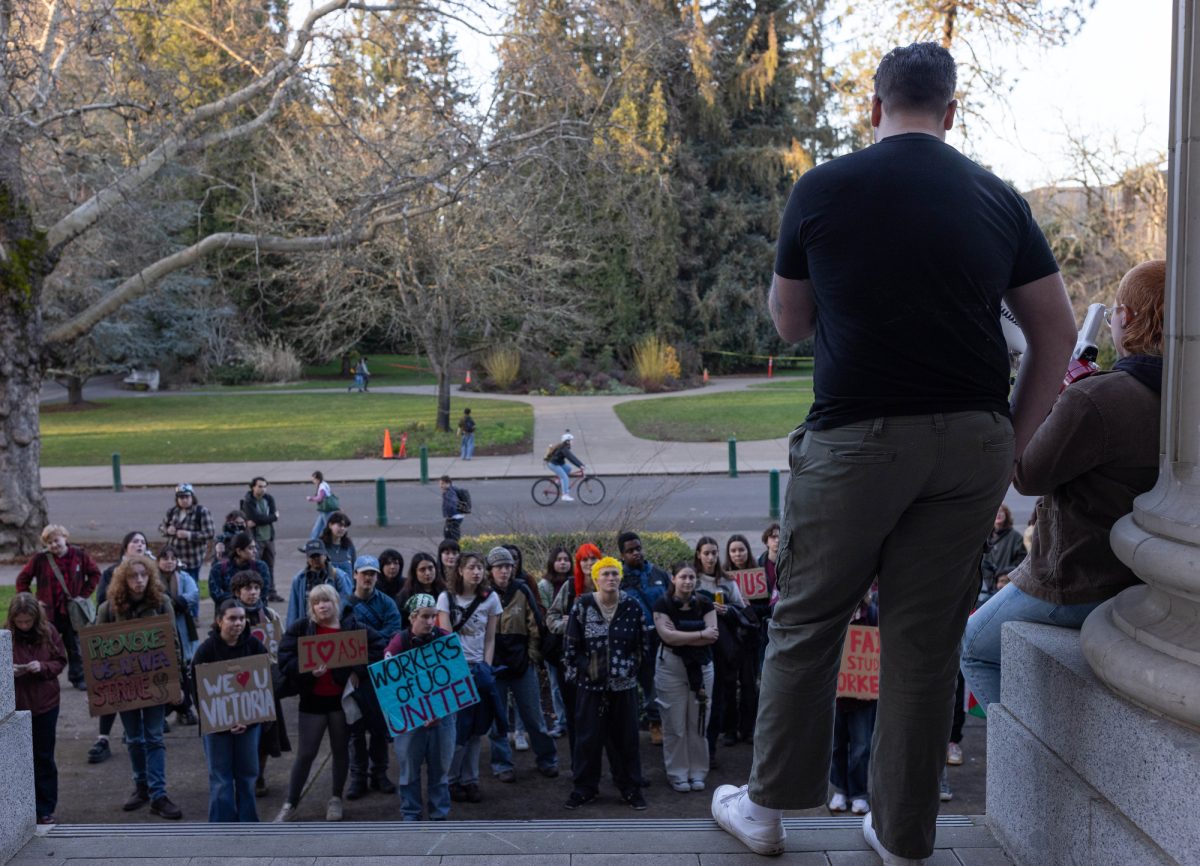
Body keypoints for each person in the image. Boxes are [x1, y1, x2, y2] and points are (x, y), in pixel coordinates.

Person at [710, 42, 1076, 863]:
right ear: (950, 113)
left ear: (874, 107)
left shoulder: (823, 188)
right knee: (925, 640)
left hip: (857, 439)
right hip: (973, 439)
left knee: (807, 620)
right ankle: (904, 834)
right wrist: (1009, 451)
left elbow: (791, 323)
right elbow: (1054, 330)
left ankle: (766, 810)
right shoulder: (999, 199)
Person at [961, 259, 1166, 713]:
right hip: (1145, 579)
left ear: (1125, 319)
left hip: (1079, 579)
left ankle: (1025, 754)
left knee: (973, 644)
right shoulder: (1176, 397)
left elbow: (1027, 473)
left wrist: (1057, 396)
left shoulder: (1097, 398)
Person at [276, 584, 385, 822]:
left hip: (341, 702)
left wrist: (358, 670)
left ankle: (336, 799)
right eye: (316, 602)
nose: (322, 606)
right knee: (305, 753)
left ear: (336, 602)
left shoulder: (353, 627)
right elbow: (284, 658)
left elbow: (379, 647)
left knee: (340, 751)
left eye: (326, 601)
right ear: (311, 607)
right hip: (312, 701)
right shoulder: (302, 628)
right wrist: (306, 672)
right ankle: (290, 803)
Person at [97, 555, 184, 820]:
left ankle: (158, 794)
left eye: (143, 575)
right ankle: (141, 786)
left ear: (150, 577)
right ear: (124, 579)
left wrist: (177, 683)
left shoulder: (161, 603)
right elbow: (98, 650)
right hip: (125, 685)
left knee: (155, 738)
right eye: (133, 576)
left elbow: (174, 644)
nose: (139, 581)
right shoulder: (109, 609)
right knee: (134, 739)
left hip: (156, 682)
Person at [563, 556, 647, 811]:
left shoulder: (632, 606)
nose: (611, 578)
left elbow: (642, 646)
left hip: (623, 687)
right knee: (587, 739)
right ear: (595, 579)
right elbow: (571, 646)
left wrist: (629, 670)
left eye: (615, 574)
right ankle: (584, 788)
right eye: (606, 574)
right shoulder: (583, 606)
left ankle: (630, 788)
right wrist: (586, 670)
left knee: (627, 739)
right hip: (591, 687)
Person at [484, 546, 559, 783]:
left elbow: (535, 627)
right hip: (494, 665)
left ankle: (547, 759)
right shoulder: (483, 594)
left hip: (521, 664)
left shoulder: (522, 589)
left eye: (508, 566)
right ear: (490, 571)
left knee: (534, 717)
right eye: (499, 567)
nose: (504, 571)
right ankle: (501, 763)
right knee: (497, 721)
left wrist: (532, 658)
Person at [191, 599, 269, 822]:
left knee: (246, 777)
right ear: (219, 621)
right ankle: (221, 826)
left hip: (249, 726)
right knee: (221, 778)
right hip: (216, 728)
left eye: (242, 618)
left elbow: (263, 686)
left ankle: (248, 823)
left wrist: (250, 720)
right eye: (232, 618)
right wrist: (220, 720)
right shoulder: (206, 651)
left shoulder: (255, 647)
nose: (238, 623)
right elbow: (197, 691)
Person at [436, 551, 503, 804]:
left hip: (479, 669)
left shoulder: (491, 598)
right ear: (460, 570)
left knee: (477, 730)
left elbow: (490, 637)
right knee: (457, 730)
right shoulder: (446, 598)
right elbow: (446, 638)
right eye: (472, 567)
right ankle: (451, 780)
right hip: (456, 671)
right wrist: (457, 674)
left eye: (480, 568)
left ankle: (470, 780)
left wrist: (486, 666)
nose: (477, 572)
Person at [387, 594, 457, 821]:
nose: (430, 622)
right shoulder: (398, 643)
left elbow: (455, 680)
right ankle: (410, 814)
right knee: (408, 771)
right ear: (412, 617)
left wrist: (437, 711)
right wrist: (422, 712)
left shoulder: (446, 639)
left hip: (443, 717)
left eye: (433, 617)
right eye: (425, 617)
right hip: (410, 718)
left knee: (441, 770)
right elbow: (390, 685)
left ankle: (439, 815)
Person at [653, 562, 718, 793]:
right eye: (683, 577)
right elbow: (667, 637)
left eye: (691, 577)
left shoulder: (705, 602)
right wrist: (699, 632)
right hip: (670, 667)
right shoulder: (663, 603)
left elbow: (713, 636)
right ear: (673, 578)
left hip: (701, 668)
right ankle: (677, 773)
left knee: (699, 722)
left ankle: (698, 771)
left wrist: (682, 634)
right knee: (675, 723)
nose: (687, 581)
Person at [343, 555, 402, 799]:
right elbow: (343, 642)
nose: (368, 577)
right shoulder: (344, 605)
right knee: (355, 729)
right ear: (355, 574)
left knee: (379, 727)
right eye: (364, 573)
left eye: (373, 574)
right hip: (354, 676)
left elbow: (392, 637)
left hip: (380, 672)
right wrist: (356, 667)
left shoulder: (388, 603)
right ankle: (358, 777)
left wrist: (364, 641)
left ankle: (380, 773)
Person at [15, 524, 100, 692]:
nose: (54, 545)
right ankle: (44, 673)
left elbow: (95, 574)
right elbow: (22, 579)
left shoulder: (79, 555)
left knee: (75, 645)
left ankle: (78, 677)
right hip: (48, 611)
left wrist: (83, 595)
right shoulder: (40, 559)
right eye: (49, 542)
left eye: (56, 540)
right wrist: (33, 601)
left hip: (72, 611)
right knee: (46, 643)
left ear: (65, 538)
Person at [8, 592, 68, 825]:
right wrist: (8, 669)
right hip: (18, 705)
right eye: (19, 622)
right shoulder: (8, 637)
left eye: (27, 621)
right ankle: (22, 808)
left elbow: (60, 661)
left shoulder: (49, 632)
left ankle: (45, 808)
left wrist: (41, 666)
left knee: (44, 757)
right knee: (19, 759)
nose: (23, 626)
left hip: (45, 704)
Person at [89, 530, 148, 762]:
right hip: (117, 638)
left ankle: (135, 729)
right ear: (125, 547)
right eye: (135, 541)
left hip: (145, 643)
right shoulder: (111, 572)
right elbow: (103, 600)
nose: (140, 545)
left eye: (143, 542)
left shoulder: (151, 571)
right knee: (113, 689)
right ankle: (103, 737)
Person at [231, 569, 290, 795]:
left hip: (266, 683)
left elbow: (280, 643)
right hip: (239, 685)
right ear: (238, 592)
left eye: (256, 588)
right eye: (247, 589)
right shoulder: (231, 614)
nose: (253, 593)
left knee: (267, 734)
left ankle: (258, 776)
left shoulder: (270, 615)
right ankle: (243, 774)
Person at [694, 536, 750, 759]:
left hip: (722, 647)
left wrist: (727, 611)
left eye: (714, 553)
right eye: (706, 553)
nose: (710, 557)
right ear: (698, 554)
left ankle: (712, 749)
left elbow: (743, 610)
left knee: (718, 696)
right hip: (696, 647)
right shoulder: (692, 580)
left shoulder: (727, 582)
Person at [546, 542, 602, 755]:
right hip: (571, 660)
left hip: (600, 660)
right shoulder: (569, 587)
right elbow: (551, 618)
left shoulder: (607, 581)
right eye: (584, 559)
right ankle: (577, 759)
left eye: (593, 558)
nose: (589, 563)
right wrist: (569, 626)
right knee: (574, 712)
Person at [829, 591, 879, 816]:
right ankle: (839, 789)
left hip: (863, 697)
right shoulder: (830, 614)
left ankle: (859, 793)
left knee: (861, 747)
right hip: (835, 696)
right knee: (836, 745)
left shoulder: (874, 614)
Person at [617, 531, 668, 745]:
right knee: (638, 684)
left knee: (657, 684)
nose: (636, 553)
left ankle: (658, 722)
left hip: (660, 637)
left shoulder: (658, 574)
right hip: (633, 639)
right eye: (630, 551)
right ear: (622, 554)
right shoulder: (619, 579)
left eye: (638, 548)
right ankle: (641, 725)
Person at [722, 534, 761, 744]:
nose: (738, 554)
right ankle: (730, 729)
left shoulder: (758, 576)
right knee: (729, 685)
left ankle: (747, 729)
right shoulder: (724, 579)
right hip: (730, 641)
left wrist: (750, 608)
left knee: (748, 685)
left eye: (741, 549)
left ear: (748, 551)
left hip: (750, 641)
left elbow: (767, 609)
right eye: (733, 550)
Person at [157, 545, 201, 727]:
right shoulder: (152, 579)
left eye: (172, 559)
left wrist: (174, 602)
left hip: (182, 628)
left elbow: (194, 594)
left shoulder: (184, 577)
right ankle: (163, 713)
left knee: (185, 670)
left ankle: (184, 708)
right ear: (158, 561)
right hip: (160, 630)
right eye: (165, 558)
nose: (169, 562)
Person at [539, 546, 575, 738]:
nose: (563, 562)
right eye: (559, 559)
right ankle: (561, 721)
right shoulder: (544, 585)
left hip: (575, 643)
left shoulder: (576, 583)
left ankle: (576, 720)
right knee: (556, 685)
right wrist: (563, 621)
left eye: (566, 559)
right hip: (553, 642)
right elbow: (546, 614)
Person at [287, 539, 352, 627]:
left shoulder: (339, 576)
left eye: (318, 555)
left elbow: (347, 603)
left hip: (334, 626)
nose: (316, 559)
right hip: (308, 628)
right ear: (307, 559)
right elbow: (293, 610)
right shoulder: (299, 579)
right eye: (312, 556)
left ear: (325, 555)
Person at [158, 483, 215, 578]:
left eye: (187, 497)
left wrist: (189, 535)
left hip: (192, 558)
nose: (184, 500)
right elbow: (161, 527)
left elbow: (210, 533)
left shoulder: (201, 511)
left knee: (191, 585)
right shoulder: (172, 511)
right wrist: (167, 530)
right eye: (181, 498)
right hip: (173, 559)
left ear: (192, 497)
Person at [241, 477, 284, 602]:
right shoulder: (248, 501)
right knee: (255, 566)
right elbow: (257, 517)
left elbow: (260, 519)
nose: (263, 489)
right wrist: (272, 517)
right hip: (256, 539)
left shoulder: (269, 498)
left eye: (264, 486)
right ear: (253, 487)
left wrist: (265, 518)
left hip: (268, 537)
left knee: (269, 566)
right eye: (260, 486)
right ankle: (257, 593)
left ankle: (272, 592)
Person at [208, 532, 271, 608]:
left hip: (255, 611)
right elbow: (216, 594)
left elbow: (264, 592)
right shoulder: (219, 568)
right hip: (228, 612)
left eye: (255, 547)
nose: (255, 551)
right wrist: (242, 598)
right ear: (239, 551)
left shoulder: (260, 566)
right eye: (250, 548)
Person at [545, 432, 584, 501]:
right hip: (553, 464)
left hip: (558, 463)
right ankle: (565, 495)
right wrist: (580, 465)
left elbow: (572, 457)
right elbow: (571, 458)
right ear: (567, 441)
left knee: (568, 468)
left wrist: (581, 464)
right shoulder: (564, 449)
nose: (573, 442)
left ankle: (558, 481)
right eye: (571, 440)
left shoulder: (564, 447)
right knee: (565, 477)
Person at [319, 512, 357, 582]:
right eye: (340, 525)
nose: (342, 528)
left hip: (347, 590)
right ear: (330, 525)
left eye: (345, 526)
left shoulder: (349, 546)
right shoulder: (321, 545)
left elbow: (355, 568)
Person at [306, 471, 335, 540]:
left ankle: (331, 542)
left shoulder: (322, 487)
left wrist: (311, 498)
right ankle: (311, 543)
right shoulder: (325, 484)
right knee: (317, 528)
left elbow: (320, 498)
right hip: (324, 510)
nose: (313, 481)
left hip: (326, 510)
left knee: (328, 528)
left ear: (317, 479)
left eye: (313, 479)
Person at [440, 476, 466, 542]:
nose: (440, 486)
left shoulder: (449, 493)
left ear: (448, 483)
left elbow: (452, 503)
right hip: (458, 515)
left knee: (451, 534)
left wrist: (450, 515)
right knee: (451, 533)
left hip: (454, 517)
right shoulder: (453, 489)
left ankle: (454, 547)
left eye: (442, 484)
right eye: (440, 484)